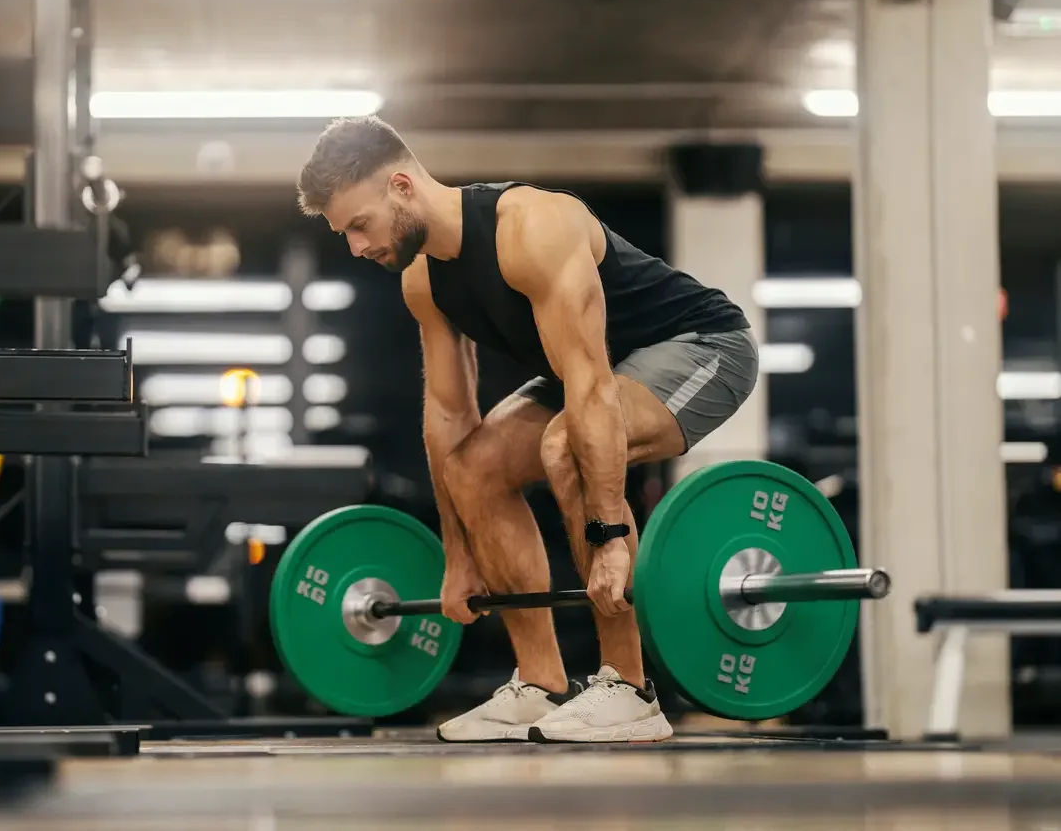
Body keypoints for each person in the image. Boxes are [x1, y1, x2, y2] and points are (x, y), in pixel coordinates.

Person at [296, 116, 759, 743]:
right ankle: (540, 685)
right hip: (589, 379)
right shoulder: (423, 280)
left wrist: (611, 535)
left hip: (701, 348)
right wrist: (459, 558)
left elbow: (591, 387)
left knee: (565, 441)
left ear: (401, 187)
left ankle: (630, 689)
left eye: (359, 225)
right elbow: (448, 418)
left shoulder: (532, 227)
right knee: (474, 464)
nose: (355, 246)